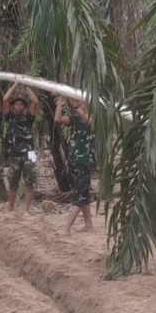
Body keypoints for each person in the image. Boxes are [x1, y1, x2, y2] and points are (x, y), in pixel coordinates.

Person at [54, 95, 95, 232]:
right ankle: (88, 224)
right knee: (83, 193)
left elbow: (89, 121)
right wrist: (60, 102)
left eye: (80, 100)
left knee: (80, 195)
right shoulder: (74, 118)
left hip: (84, 161)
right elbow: (57, 119)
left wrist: (76, 105)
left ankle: (67, 228)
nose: (77, 103)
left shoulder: (91, 117)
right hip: (74, 161)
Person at [3, 82, 39, 214]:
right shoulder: (10, 117)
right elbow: (5, 99)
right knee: (13, 182)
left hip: (29, 154)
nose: (18, 106)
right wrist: (15, 84)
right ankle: (10, 208)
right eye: (16, 104)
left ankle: (26, 210)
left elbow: (35, 102)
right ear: (13, 106)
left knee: (29, 182)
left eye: (21, 104)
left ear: (24, 107)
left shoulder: (28, 118)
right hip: (15, 154)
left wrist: (26, 86)